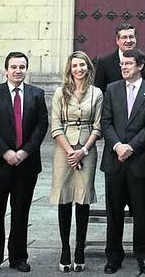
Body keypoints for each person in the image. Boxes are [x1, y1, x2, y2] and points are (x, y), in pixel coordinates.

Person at [0, 52, 48, 275]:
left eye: (22, 66)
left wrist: (25, 151)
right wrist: (6, 152)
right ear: (6, 70)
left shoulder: (37, 94)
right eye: (14, 67)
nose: (18, 70)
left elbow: (41, 126)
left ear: (27, 69)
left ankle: (18, 258)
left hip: (26, 165)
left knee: (21, 213)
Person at [100, 48, 145, 275]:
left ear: (140, 66)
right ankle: (113, 256)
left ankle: (144, 255)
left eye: (128, 64)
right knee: (114, 212)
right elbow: (105, 122)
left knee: (142, 212)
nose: (123, 67)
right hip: (115, 161)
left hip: (140, 162)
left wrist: (131, 147)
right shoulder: (112, 89)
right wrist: (117, 146)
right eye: (122, 64)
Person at [50, 51, 103, 273]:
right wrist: (70, 151)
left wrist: (82, 150)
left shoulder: (97, 93)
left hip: (87, 149)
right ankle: (65, 249)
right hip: (64, 150)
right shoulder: (60, 93)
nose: (79, 69)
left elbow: (98, 126)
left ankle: (80, 248)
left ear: (88, 68)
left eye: (82, 65)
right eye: (75, 66)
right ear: (69, 69)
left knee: (82, 200)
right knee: (64, 198)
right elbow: (55, 125)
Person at [95, 23, 145, 93]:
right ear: (117, 40)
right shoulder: (104, 63)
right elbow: (100, 91)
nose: (129, 41)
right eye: (124, 37)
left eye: (131, 37)